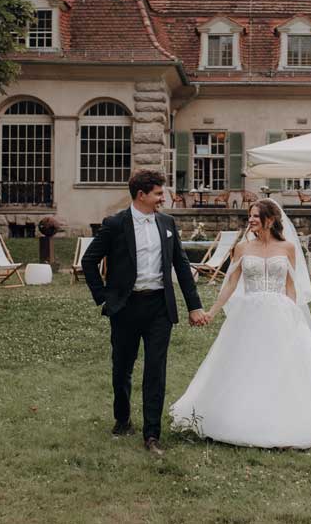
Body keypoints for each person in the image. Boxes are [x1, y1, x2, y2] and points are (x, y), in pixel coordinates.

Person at [170, 199, 311, 449]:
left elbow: (290, 286)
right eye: (250, 216)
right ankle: (236, 417)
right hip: (249, 313)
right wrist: (212, 311)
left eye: (256, 216)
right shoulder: (243, 248)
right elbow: (231, 284)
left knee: (281, 366)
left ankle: (284, 421)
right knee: (244, 363)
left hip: (280, 312)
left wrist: (293, 315)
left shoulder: (287, 248)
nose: (251, 220)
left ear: (271, 219)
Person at [82, 169, 205, 456]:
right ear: (142, 195)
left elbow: (181, 266)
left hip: (159, 308)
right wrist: (103, 298)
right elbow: (89, 261)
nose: (164, 198)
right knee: (122, 367)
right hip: (125, 307)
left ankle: (152, 434)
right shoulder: (115, 224)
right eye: (159, 193)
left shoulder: (167, 223)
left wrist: (194, 305)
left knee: (155, 371)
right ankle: (122, 420)